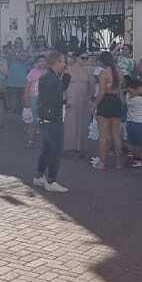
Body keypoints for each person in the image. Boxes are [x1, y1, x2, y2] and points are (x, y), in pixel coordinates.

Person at [32, 52, 70, 193]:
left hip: (46, 118)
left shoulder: (47, 76)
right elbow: (57, 97)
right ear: (56, 62)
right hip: (53, 119)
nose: (64, 64)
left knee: (47, 150)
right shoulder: (51, 78)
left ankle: (39, 176)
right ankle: (51, 180)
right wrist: (63, 101)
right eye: (62, 61)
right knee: (55, 151)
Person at [91, 51, 126, 170]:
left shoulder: (103, 73)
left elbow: (101, 93)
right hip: (116, 102)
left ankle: (102, 162)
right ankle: (118, 162)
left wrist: (94, 105)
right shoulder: (119, 73)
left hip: (105, 102)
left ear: (102, 61)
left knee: (103, 136)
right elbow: (121, 92)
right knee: (116, 135)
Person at [63, 53, 91, 156]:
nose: (85, 60)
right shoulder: (68, 69)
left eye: (87, 58)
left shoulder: (88, 71)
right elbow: (63, 87)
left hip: (83, 101)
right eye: (83, 58)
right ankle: (69, 147)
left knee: (83, 124)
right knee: (70, 123)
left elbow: (90, 87)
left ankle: (80, 147)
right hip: (71, 100)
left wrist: (90, 100)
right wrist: (65, 100)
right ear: (77, 58)